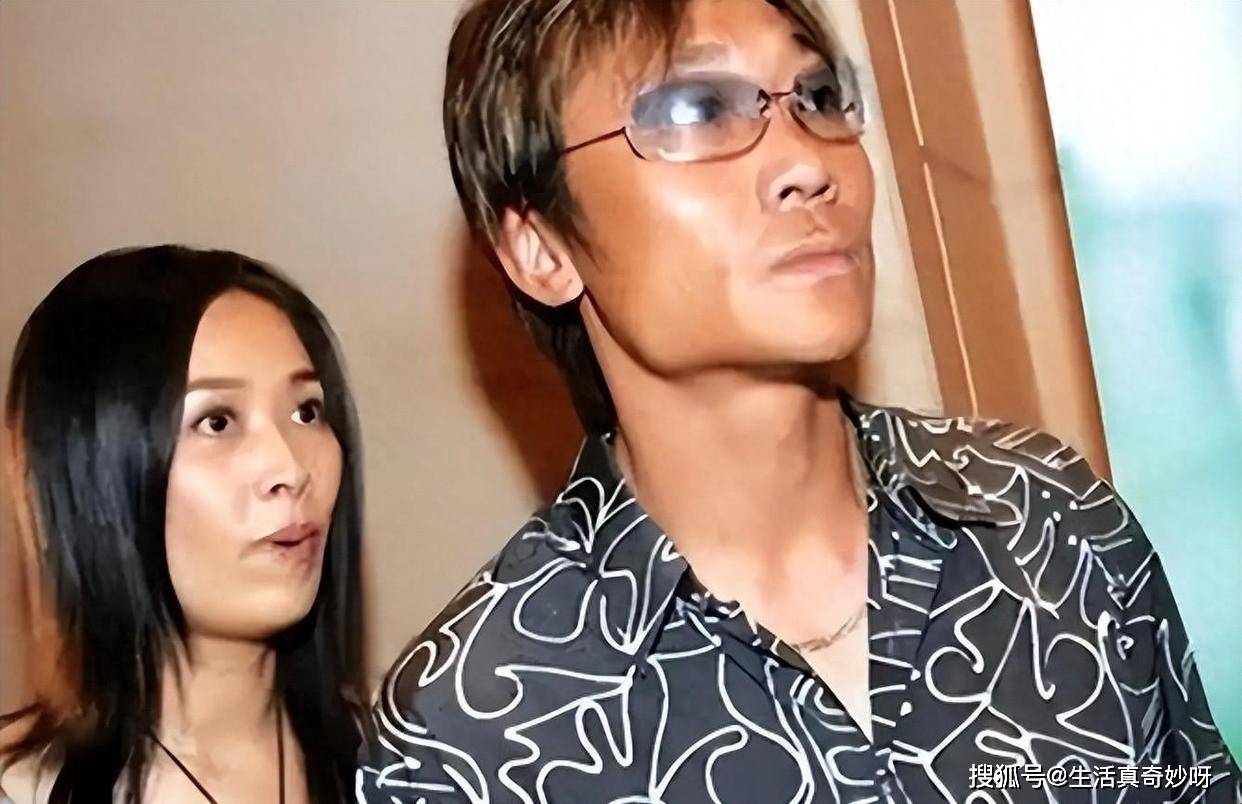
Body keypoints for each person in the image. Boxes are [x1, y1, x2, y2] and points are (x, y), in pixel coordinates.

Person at [357, 0, 1240, 801]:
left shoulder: (1046, 521)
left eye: (817, 97)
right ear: (541, 247)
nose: (805, 163)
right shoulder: (467, 737)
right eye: (695, 110)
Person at [0, 246, 367, 803]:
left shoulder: (411, 764)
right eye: (217, 421)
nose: (290, 469)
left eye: (306, 412)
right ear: (95, 471)